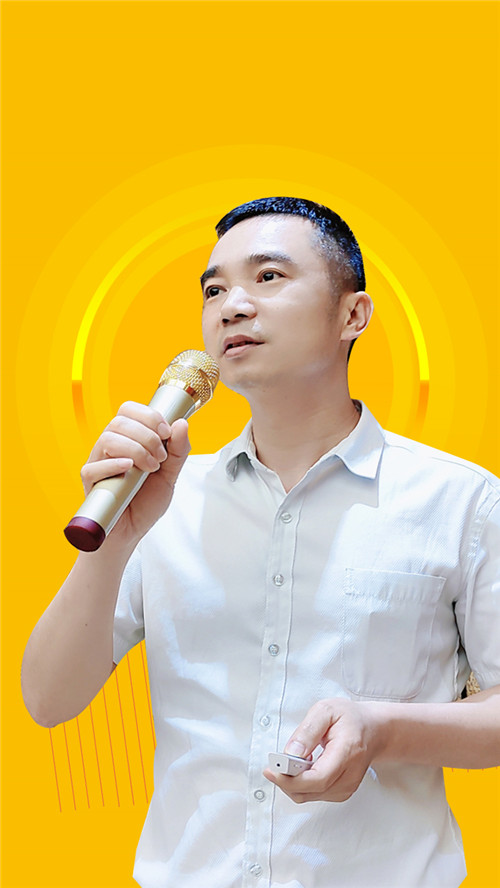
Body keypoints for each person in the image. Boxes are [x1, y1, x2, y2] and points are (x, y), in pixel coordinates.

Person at [22, 197, 500, 888]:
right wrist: (117, 538)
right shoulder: (163, 496)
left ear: (353, 315)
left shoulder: (461, 501)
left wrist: (382, 730)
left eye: (268, 277)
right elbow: (48, 699)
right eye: (214, 290)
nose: (232, 307)